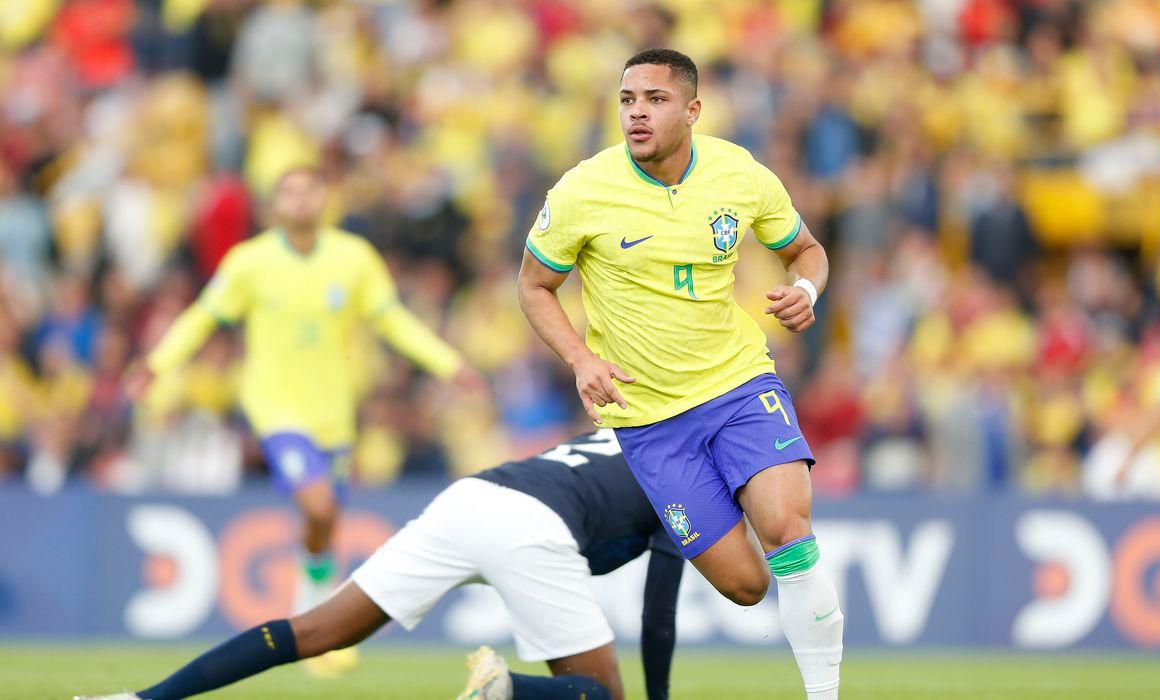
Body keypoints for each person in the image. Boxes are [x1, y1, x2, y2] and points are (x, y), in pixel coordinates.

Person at [517, 48, 844, 699]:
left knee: (788, 528)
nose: (637, 114)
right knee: (747, 586)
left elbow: (805, 251)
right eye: (627, 100)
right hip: (650, 422)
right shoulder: (582, 190)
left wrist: (805, 290)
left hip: (738, 385)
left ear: (692, 110)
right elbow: (533, 286)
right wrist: (581, 358)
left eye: (655, 100)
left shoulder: (739, 174)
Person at [126, 166, 482, 672]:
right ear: (275, 205)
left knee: (326, 518)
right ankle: (311, 598)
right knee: (316, 507)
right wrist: (157, 364)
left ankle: (313, 595)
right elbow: (204, 315)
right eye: (289, 192)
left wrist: (449, 364)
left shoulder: (353, 259)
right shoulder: (250, 262)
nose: (300, 200)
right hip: (275, 410)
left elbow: (392, 320)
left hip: (334, 416)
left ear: (325, 199)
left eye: (310, 190)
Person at [75, 430, 684, 700]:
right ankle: (501, 687)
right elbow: (658, 614)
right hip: (534, 528)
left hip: (472, 497)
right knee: (598, 696)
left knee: (316, 629)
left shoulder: (632, 431)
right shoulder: (687, 475)